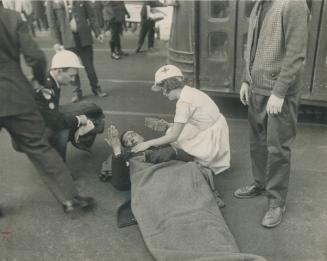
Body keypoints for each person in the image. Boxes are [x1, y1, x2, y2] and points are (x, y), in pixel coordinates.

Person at [0, 4, 95, 216]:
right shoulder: (11, 18)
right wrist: (38, 80)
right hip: (15, 95)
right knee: (40, 148)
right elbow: (36, 57)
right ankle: (70, 200)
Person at [234, 0, 309, 228]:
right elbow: (252, 46)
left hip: (279, 93)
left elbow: (296, 55)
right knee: (257, 142)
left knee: (277, 148)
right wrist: (246, 79)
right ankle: (260, 183)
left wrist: (279, 92)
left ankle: (277, 202)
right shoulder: (260, 3)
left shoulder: (294, 4)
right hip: (256, 86)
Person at [132, 65, 230, 175]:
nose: (163, 93)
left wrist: (148, 144)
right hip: (214, 126)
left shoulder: (183, 103)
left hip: (212, 136)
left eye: (163, 89)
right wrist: (170, 125)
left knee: (173, 137)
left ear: (168, 86)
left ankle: (203, 159)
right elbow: (196, 117)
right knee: (171, 130)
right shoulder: (189, 91)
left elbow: (174, 136)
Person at [102, 125, 225, 207]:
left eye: (132, 134)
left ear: (142, 137)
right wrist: (117, 150)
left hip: (174, 173)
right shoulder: (129, 157)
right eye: (126, 141)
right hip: (155, 182)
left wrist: (156, 155)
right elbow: (120, 183)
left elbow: (183, 156)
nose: (131, 139)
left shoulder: (159, 145)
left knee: (193, 169)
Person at [33, 49, 90, 161]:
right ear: (59, 71)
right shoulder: (46, 87)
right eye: (71, 76)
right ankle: (57, 168)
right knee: (62, 130)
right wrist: (78, 120)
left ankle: (52, 161)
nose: (73, 80)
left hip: (38, 122)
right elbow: (55, 121)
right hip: (29, 133)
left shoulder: (50, 80)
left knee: (66, 121)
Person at [46, 0, 107, 103]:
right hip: (67, 39)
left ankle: (96, 88)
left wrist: (98, 32)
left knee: (89, 66)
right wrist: (56, 42)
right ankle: (76, 92)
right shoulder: (51, 2)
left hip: (84, 37)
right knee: (71, 68)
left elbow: (92, 16)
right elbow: (52, 23)